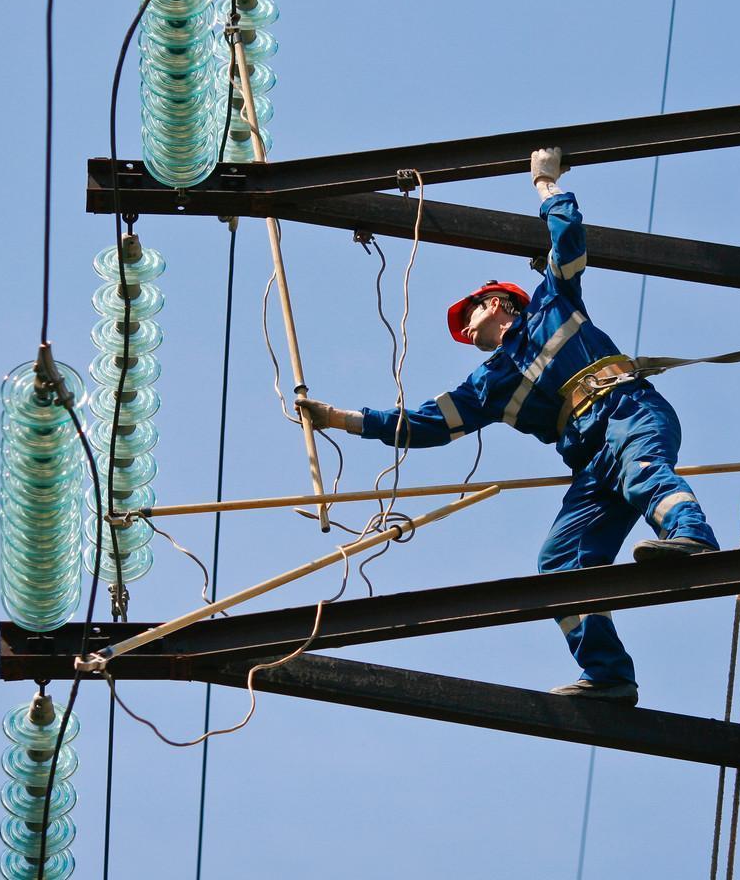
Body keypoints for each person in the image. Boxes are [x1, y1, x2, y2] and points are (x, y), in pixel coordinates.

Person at [298, 148, 718, 705]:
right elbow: (425, 424)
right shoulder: (489, 385)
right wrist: (342, 420)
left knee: (642, 471)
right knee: (559, 564)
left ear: (497, 303)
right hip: (592, 462)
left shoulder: (552, 304)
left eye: (469, 313)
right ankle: (610, 675)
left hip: (626, 411)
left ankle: (692, 537)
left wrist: (545, 183)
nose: (464, 327)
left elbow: (568, 239)